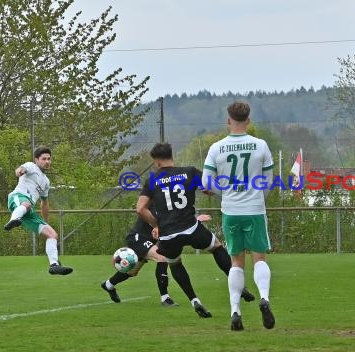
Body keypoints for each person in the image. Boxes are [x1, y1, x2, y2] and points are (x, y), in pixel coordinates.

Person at [131, 142, 255, 316]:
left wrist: (156, 224)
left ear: (156, 162)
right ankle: (239, 287)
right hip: (191, 227)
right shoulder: (189, 171)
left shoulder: (152, 181)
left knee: (174, 263)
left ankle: (195, 301)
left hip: (168, 234)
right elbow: (209, 189)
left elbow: (140, 208)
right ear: (171, 155)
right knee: (216, 247)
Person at [202, 101, 275, 331]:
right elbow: (269, 182)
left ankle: (235, 311)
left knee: (236, 262)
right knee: (259, 258)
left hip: (231, 211)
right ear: (249, 121)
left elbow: (206, 183)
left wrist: (221, 191)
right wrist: (255, 195)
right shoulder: (260, 145)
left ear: (228, 120)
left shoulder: (216, 148)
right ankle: (264, 297)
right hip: (254, 209)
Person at [100, 209, 218, 318]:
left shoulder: (167, 201)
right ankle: (165, 298)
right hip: (138, 238)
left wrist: (193, 220)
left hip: (148, 240)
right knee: (162, 257)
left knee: (133, 271)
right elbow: (165, 221)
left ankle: (108, 285)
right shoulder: (155, 201)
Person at [4, 147, 73, 275]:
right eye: (44, 159)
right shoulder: (31, 166)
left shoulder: (46, 181)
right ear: (37, 160)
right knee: (27, 204)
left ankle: (54, 265)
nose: (47, 161)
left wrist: (45, 222)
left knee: (52, 235)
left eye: (49, 159)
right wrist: (19, 171)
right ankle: (13, 220)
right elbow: (20, 169)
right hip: (17, 198)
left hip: (27, 211)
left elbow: (44, 203)